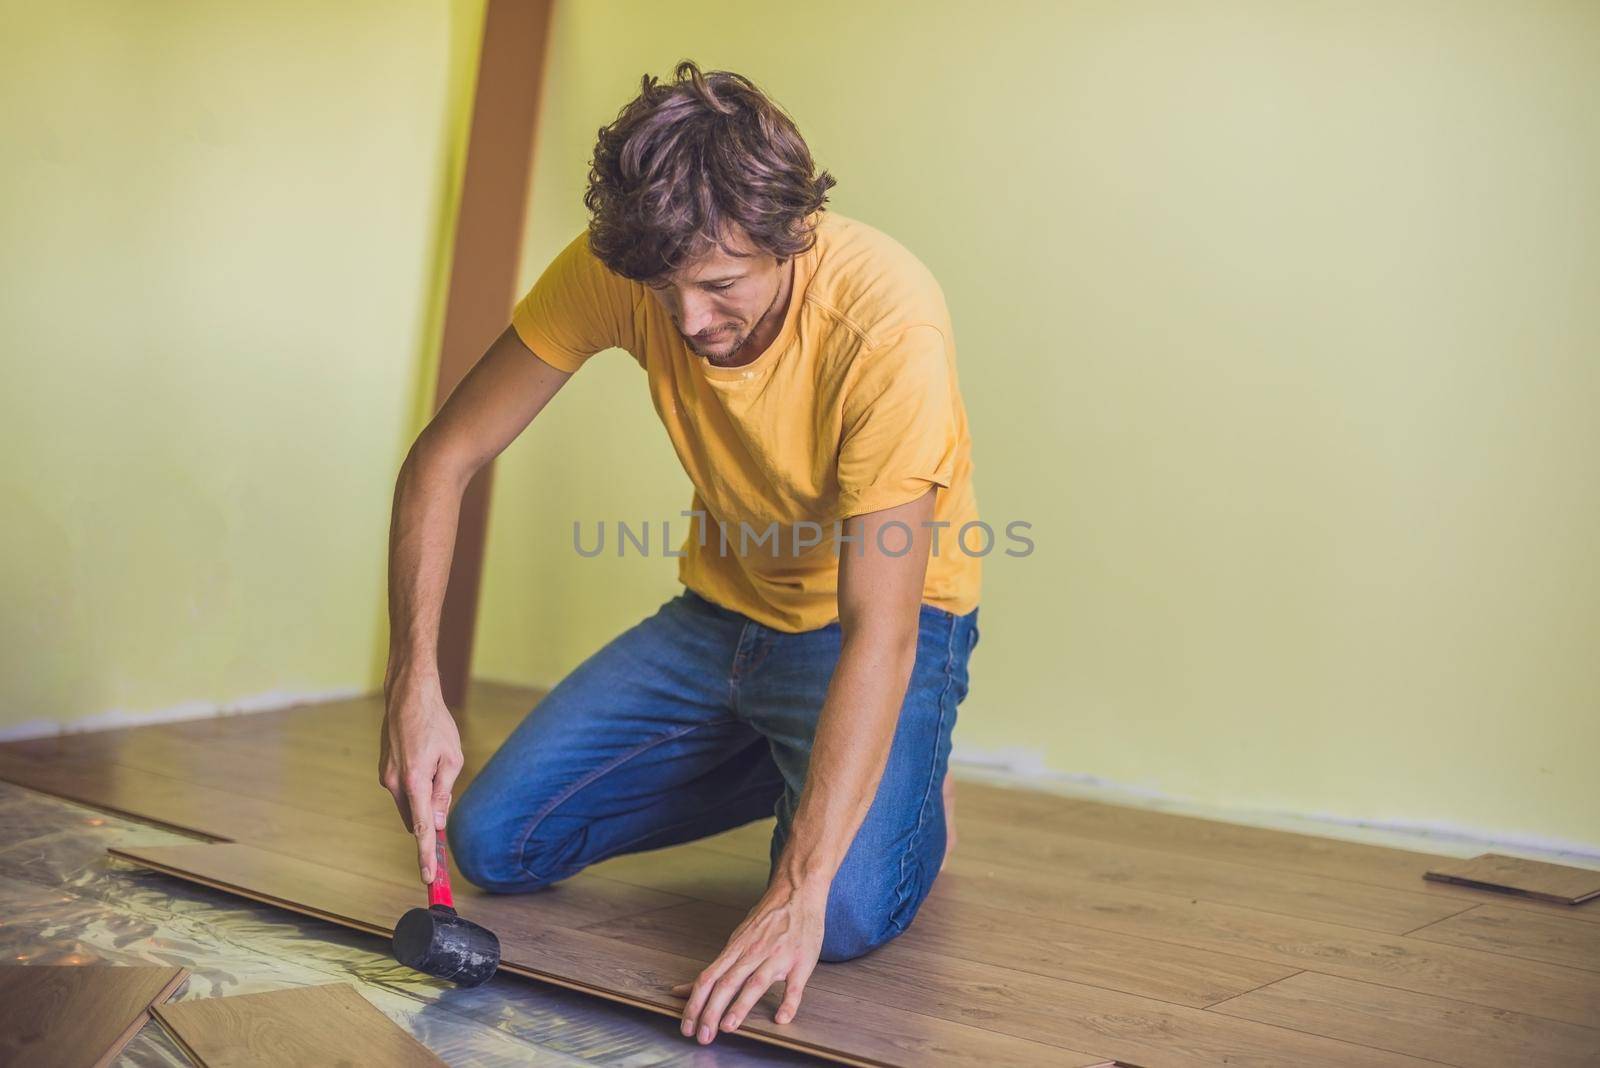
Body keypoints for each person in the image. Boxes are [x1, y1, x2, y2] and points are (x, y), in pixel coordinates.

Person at [379, 60, 980, 1046]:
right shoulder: (626, 267)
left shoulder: (886, 323)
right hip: (719, 616)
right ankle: (811, 765)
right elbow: (443, 460)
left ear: (791, 234)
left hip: (871, 630)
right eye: (666, 292)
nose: (692, 321)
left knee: (845, 912)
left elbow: (883, 631)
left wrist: (797, 885)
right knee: (495, 839)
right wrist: (415, 680)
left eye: (720, 285)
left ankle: (904, 777)